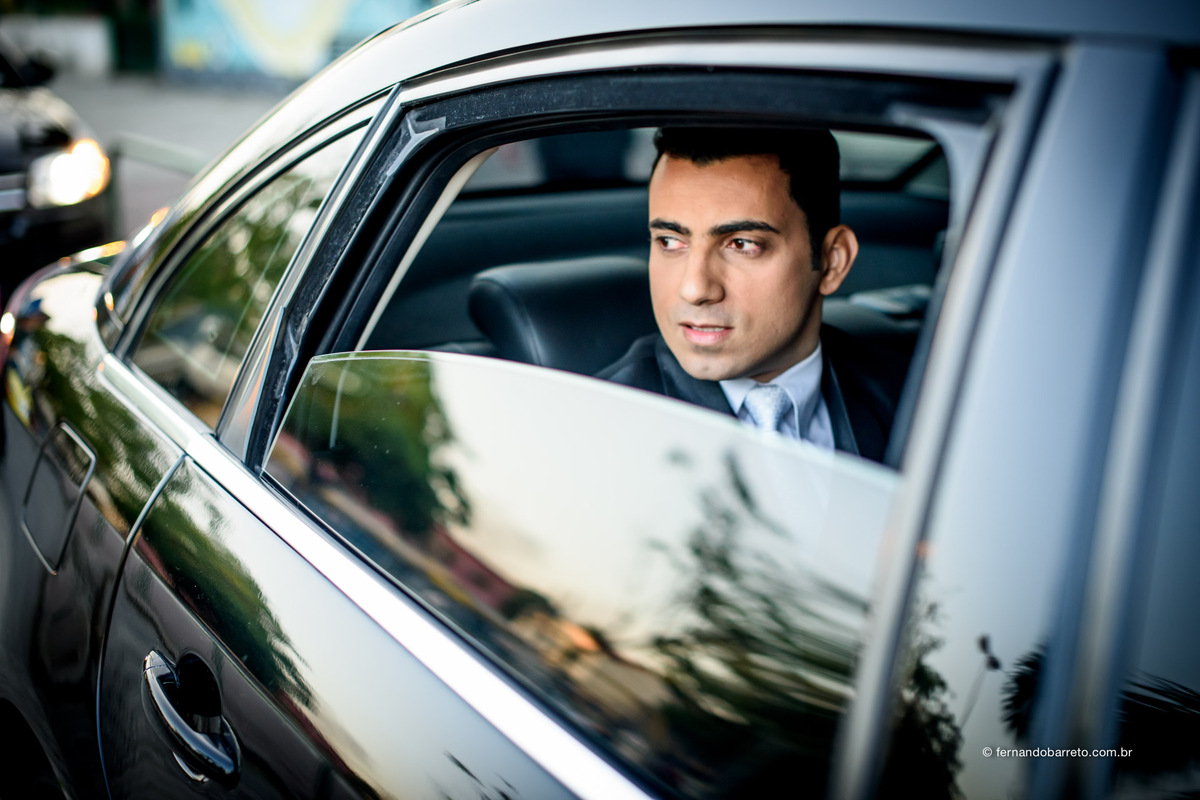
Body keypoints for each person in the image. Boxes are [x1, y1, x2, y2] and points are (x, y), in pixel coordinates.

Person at [598, 127, 907, 462]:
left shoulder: (915, 399)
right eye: (670, 242)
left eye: (742, 244)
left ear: (833, 261)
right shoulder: (595, 430)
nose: (695, 289)